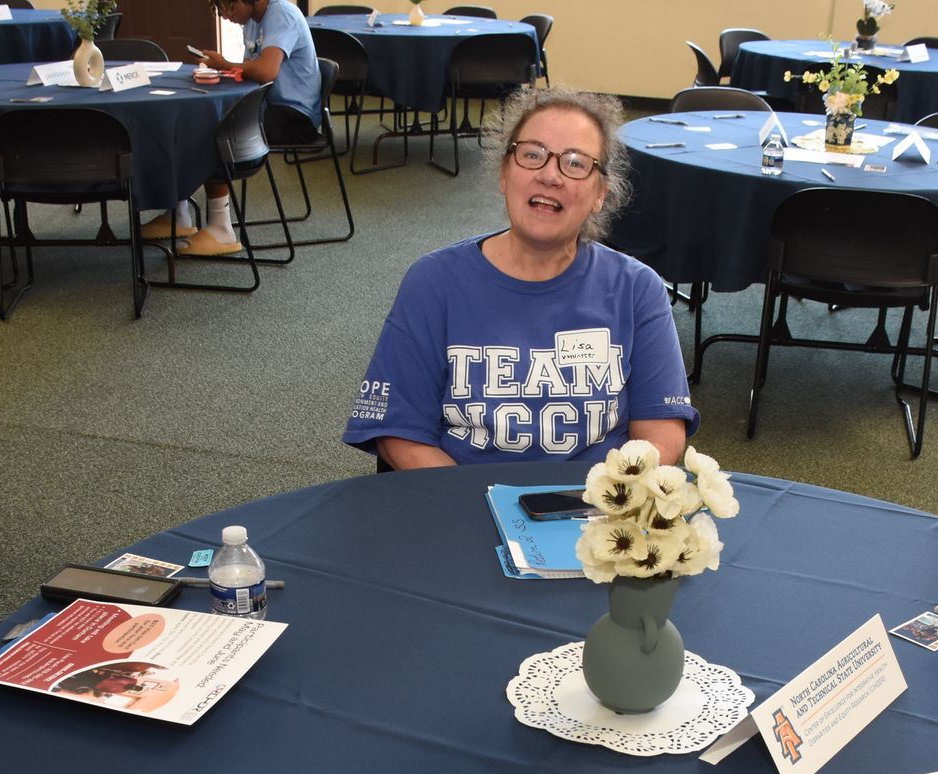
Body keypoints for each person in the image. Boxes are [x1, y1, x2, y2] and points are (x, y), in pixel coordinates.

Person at [343, 85, 698, 469]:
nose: (550, 175)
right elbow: (401, 434)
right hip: (462, 507)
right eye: (532, 154)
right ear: (504, 173)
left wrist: (595, 503)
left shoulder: (636, 288)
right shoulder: (433, 282)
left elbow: (661, 436)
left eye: (576, 163)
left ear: (600, 194)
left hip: (590, 513)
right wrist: (479, 508)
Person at [140, 0, 321, 256]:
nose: (226, 16)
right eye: (220, 10)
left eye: (230, 8)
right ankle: (178, 214)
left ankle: (221, 229)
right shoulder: (251, 21)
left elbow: (267, 71)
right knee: (189, 124)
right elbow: (251, 74)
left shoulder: (281, 13)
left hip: (294, 117)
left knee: (211, 131)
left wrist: (224, 64)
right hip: (268, 105)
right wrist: (222, 72)